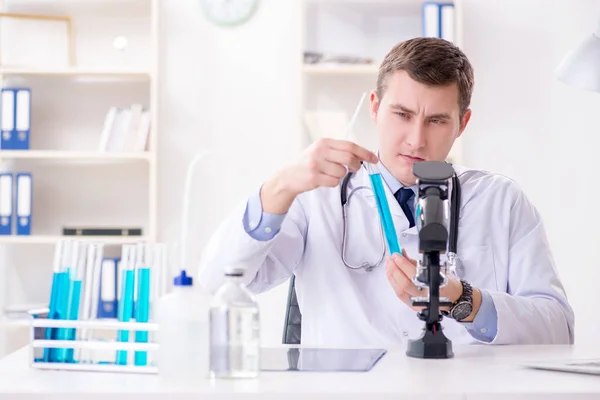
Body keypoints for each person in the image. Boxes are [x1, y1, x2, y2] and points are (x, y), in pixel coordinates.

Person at [197, 37, 574, 347]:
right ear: (375, 108)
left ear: (463, 124)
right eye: (402, 114)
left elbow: (559, 329)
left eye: (437, 120)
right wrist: (280, 187)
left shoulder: (501, 201)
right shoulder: (316, 197)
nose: (416, 139)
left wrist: (465, 301)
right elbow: (217, 283)